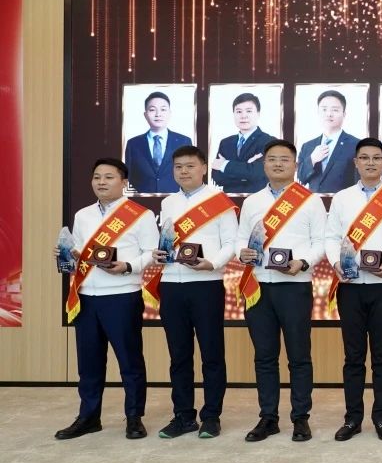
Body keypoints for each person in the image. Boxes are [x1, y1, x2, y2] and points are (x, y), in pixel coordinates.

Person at [54, 158, 158, 441]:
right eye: (97, 177)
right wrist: (66, 256)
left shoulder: (141, 215)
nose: (101, 182)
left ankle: (134, 417)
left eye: (109, 177)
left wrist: (128, 266)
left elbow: (152, 252)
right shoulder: (83, 215)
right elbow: (78, 251)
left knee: (129, 361)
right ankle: (89, 417)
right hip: (86, 296)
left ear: (124, 182)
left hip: (122, 295)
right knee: (89, 363)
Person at [235, 139, 326, 442]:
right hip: (258, 286)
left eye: (284, 159)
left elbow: (321, 243)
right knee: (264, 356)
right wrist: (242, 252)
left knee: (299, 356)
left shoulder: (310, 201)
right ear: (264, 164)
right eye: (272, 159)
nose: (277, 164)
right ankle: (268, 417)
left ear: (295, 165)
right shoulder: (252, 202)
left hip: (295, 286)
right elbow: (240, 240)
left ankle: (300, 418)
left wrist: (302, 262)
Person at [324, 138, 382, 442]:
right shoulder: (342, 198)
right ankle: (352, 419)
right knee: (353, 356)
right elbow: (331, 237)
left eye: (376, 158)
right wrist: (337, 262)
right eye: (365, 158)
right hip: (350, 287)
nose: (371, 163)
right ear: (356, 162)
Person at [150, 145, 238, 440]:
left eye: (190, 166)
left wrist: (212, 263)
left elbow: (231, 243)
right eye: (178, 167)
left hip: (206, 284)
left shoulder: (219, 201)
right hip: (171, 284)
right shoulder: (168, 203)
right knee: (179, 355)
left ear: (203, 168)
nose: (184, 171)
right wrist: (159, 254)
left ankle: (211, 416)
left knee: (211, 353)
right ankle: (183, 416)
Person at [125, 91, 194, 194]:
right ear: (145, 114)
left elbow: (190, 173)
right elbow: (129, 175)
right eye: (152, 110)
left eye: (163, 109)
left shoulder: (184, 141)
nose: (158, 114)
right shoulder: (133, 144)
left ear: (169, 113)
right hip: (143, 199)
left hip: (177, 198)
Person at [297, 90, 361, 193]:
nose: (329, 114)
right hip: (314, 202)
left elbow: (360, 181)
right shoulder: (307, 146)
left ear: (344, 114)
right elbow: (301, 178)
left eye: (335, 110)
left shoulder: (356, 145)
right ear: (318, 112)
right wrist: (312, 160)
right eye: (324, 109)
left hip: (344, 201)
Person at [211, 92, 275, 193]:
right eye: (239, 111)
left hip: (258, 198)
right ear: (233, 114)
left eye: (249, 111)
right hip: (229, 199)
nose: (243, 116)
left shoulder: (269, 141)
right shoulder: (225, 143)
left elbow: (258, 173)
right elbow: (217, 177)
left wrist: (224, 165)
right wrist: (246, 169)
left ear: (258, 114)